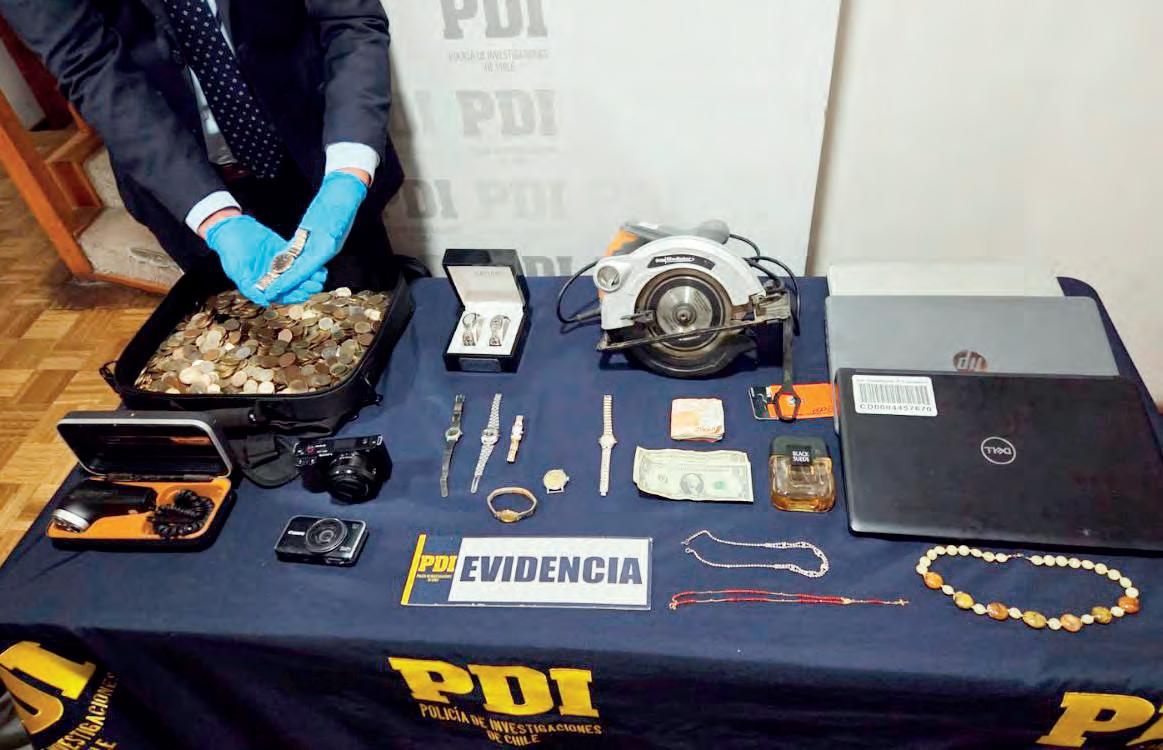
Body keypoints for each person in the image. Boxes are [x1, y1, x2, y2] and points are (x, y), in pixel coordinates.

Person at [0, 0, 408, 304]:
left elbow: (349, 19)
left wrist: (348, 172)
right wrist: (215, 219)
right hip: (185, 186)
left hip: (315, 150)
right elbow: (90, 68)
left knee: (375, 312)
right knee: (251, 349)